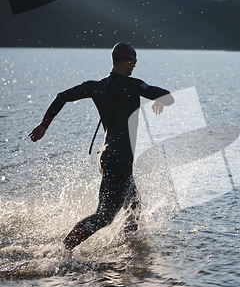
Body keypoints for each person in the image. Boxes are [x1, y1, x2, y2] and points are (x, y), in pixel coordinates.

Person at [28, 42, 174, 250]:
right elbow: (167, 96)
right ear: (126, 61)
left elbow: (62, 97)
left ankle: (130, 249)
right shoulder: (133, 85)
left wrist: (44, 125)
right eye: (133, 62)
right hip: (121, 158)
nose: (134, 66)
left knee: (134, 206)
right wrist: (161, 99)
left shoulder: (95, 86)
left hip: (105, 157)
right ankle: (62, 250)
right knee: (104, 216)